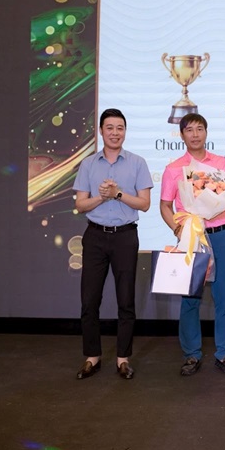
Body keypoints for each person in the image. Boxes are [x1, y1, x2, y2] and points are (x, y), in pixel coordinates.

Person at [160, 113, 225, 377]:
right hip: (192, 237)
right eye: (189, 130)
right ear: (182, 135)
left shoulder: (221, 163)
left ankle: (224, 354)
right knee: (190, 297)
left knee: (224, 296)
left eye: (200, 129)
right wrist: (178, 228)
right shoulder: (173, 168)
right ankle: (191, 354)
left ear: (206, 133)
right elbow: (165, 205)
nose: (195, 134)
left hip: (221, 235)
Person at [73, 108, 153, 380]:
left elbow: (144, 203)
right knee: (89, 300)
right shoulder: (88, 164)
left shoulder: (137, 162)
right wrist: (102, 197)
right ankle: (92, 357)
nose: (115, 133)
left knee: (126, 300)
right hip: (95, 236)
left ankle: (123, 359)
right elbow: (80, 204)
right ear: (101, 131)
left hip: (125, 236)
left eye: (120, 128)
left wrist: (118, 193)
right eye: (110, 127)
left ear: (125, 132)